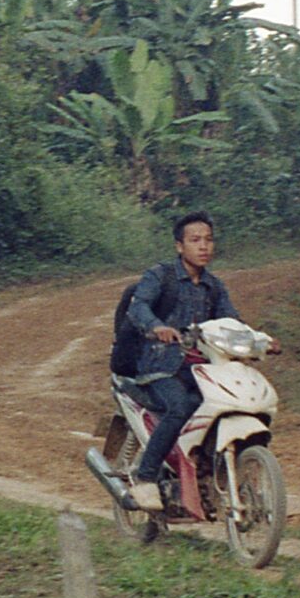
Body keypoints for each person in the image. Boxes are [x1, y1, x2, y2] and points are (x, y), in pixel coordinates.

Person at [115, 212, 270, 511]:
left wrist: (260, 340)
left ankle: (206, 466)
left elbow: (232, 321)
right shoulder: (160, 276)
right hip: (160, 366)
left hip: (203, 368)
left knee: (225, 403)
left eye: (208, 240)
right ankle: (146, 478)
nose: (203, 246)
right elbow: (139, 308)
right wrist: (157, 327)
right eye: (195, 240)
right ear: (179, 246)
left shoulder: (214, 286)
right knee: (180, 406)